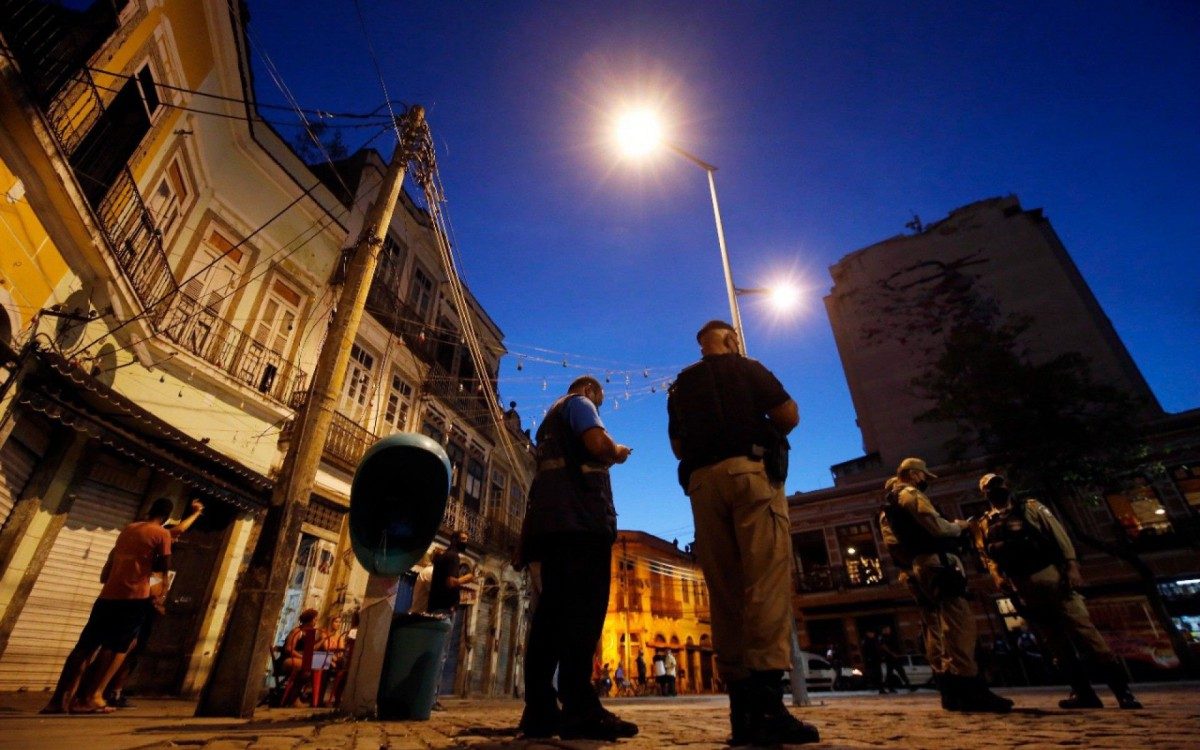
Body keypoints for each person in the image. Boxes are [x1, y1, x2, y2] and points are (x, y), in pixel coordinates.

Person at [667, 320, 818, 745]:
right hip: (750, 475)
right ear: (731, 339)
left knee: (725, 590)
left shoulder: (680, 385)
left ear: (701, 346)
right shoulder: (749, 368)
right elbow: (789, 414)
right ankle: (768, 708)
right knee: (765, 584)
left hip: (702, 484)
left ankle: (742, 712)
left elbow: (678, 447)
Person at [516, 376, 637, 740]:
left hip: (552, 527)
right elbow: (597, 444)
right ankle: (580, 708)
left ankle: (539, 711)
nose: (599, 406)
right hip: (581, 525)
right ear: (589, 391)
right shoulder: (579, 404)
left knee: (551, 618)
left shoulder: (548, 424)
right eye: (599, 398)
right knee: (583, 618)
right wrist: (617, 452)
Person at [974, 473, 1142, 709]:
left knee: (1086, 635)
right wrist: (998, 577)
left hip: (1051, 576)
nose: (996, 490)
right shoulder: (984, 523)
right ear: (984, 493)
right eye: (990, 488)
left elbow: (1058, 535)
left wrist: (1072, 565)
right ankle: (1083, 693)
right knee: (1055, 644)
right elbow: (987, 556)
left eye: (999, 485)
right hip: (1022, 585)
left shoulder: (1030, 508)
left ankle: (1123, 693)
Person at [879, 458, 1012, 713]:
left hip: (918, 566)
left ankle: (949, 689)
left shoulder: (888, 508)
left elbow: (893, 545)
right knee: (958, 624)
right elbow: (938, 528)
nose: (926, 480)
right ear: (914, 475)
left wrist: (911, 566)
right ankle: (970, 687)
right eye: (923, 475)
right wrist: (959, 526)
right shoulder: (909, 495)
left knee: (935, 628)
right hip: (936, 562)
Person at [42, 497, 174, 714]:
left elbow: (111, 564)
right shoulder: (162, 534)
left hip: (107, 596)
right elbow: (160, 571)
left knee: (84, 647)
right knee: (115, 648)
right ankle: (89, 697)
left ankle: (58, 700)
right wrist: (158, 598)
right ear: (166, 516)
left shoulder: (128, 529)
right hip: (134, 598)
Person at [104, 499, 204, 708]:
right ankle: (109, 690)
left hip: (121, 595)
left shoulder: (132, 535)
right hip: (139, 597)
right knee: (127, 645)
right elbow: (178, 531)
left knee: (124, 646)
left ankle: (107, 689)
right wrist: (196, 513)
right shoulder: (159, 538)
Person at [429, 530, 475, 708]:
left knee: (436, 653)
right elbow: (450, 582)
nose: (466, 542)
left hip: (435, 607)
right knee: (441, 655)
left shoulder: (441, 557)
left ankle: (430, 696)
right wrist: (468, 577)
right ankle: (432, 698)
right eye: (464, 539)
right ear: (455, 540)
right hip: (445, 610)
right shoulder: (453, 557)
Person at [881, 625, 916, 692]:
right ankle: (890, 688)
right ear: (885, 630)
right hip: (890, 658)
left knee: (901, 672)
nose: (889, 630)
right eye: (887, 629)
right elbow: (884, 646)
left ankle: (909, 686)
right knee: (891, 674)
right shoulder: (883, 638)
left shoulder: (891, 636)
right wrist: (892, 653)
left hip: (895, 658)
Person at [861, 629, 887, 693]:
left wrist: (881, 656)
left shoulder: (875, 640)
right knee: (874, 674)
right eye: (871, 633)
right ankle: (876, 687)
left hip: (876, 660)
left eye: (873, 633)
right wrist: (868, 659)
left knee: (879, 674)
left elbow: (878, 649)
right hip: (871, 661)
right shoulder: (866, 641)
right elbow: (865, 652)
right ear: (868, 633)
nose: (873, 634)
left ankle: (881, 688)